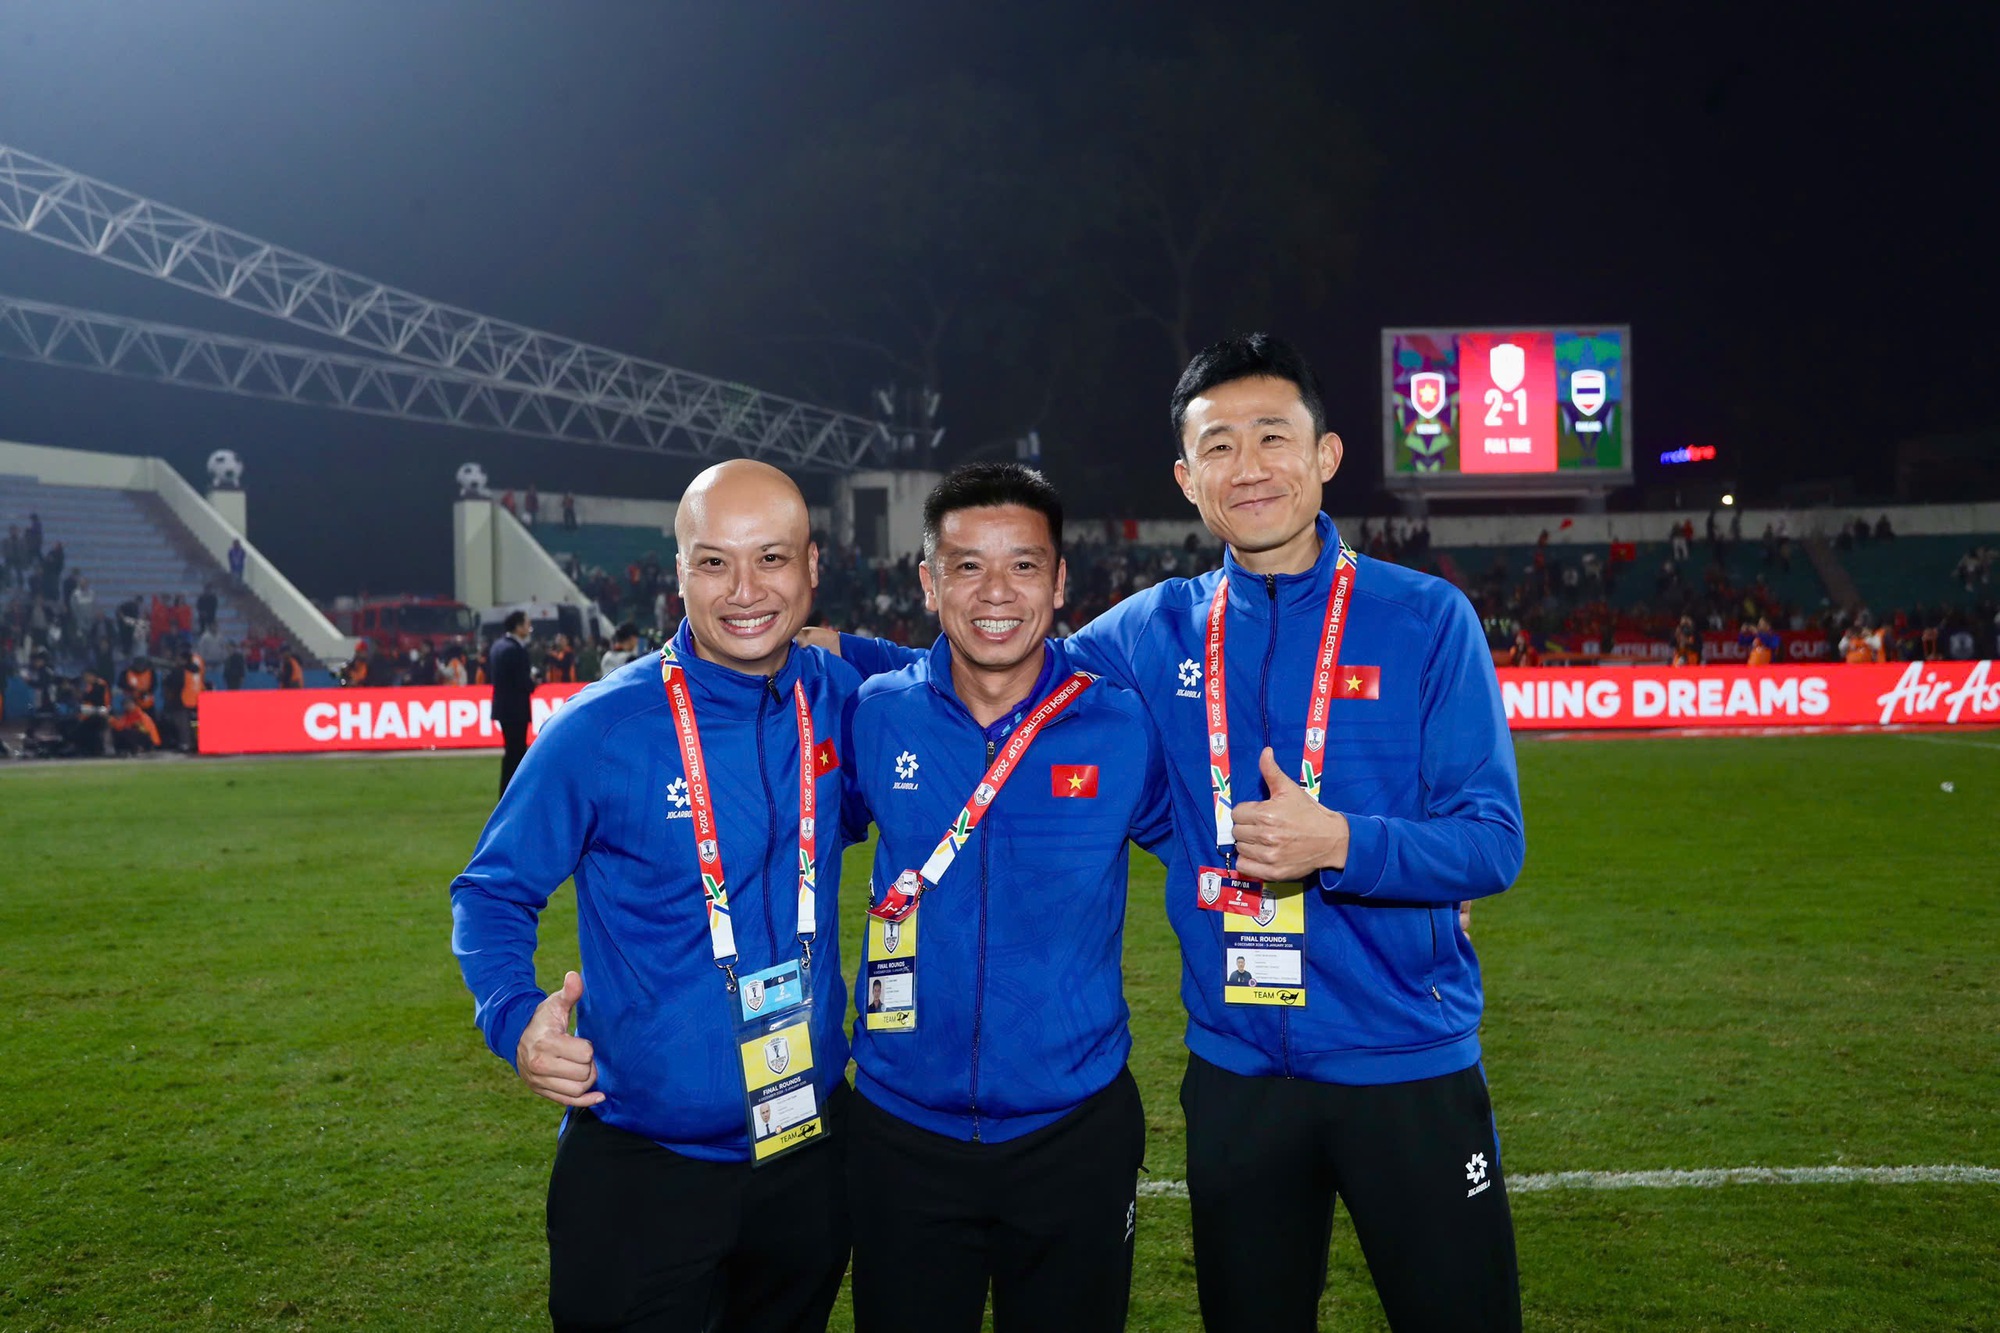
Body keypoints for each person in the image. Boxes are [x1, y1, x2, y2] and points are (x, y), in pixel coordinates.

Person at [816, 334, 1524, 1331]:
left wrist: (1341, 844)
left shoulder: (1427, 619)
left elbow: (1492, 842)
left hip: (1406, 1062)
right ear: (1188, 479)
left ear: (1323, 455)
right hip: (1235, 1073)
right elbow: (1001, 661)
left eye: (1271, 437)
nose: (1249, 466)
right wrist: (828, 648)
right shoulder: (1147, 633)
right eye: (1219, 447)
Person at [452, 459, 861, 1333]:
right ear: (677, 573)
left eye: (772, 559)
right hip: (645, 1169)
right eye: (713, 562)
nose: (744, 590)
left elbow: (976, 671)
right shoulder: (601, 729)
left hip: (806, 1158)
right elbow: (491, 890)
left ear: (813, 567)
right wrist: (513, 1012)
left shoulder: (844, 702)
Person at [840, 464, 1171, 1333]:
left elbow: (1228, 861)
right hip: (899, 1132)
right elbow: (775, 852)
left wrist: (1395, 891)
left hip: (1074, 1132)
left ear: (1061, 581)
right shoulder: (874, 715)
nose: (996, 592)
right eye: (966, 565)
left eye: (1023, 565)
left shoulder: (1122, 725)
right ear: (927, 580)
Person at [488, 611, 535, 796]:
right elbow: (522, 681)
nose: (529, 628)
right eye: (527, 624)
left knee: (511, 752)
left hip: (502, 706)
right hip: (516, 707)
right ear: (518, 626)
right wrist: (533, 683)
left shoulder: (498, 646)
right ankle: (514, 793)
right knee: (517, 753)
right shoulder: (516, 649)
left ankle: (506, 793)